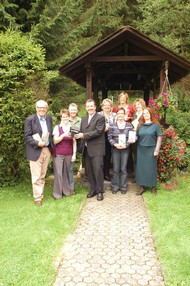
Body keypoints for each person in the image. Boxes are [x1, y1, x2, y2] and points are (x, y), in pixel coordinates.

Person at [74, 99, 105, 201]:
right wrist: (72, 133)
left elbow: (98, 132)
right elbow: (79, 131)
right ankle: (93, 189)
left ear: (95, 107)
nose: (90, 108)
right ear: (86, 108)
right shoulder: (83, 119)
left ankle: (100, 191)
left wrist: (83, 135)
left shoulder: (100, 118)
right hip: (86, 149)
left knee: (98, 170)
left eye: (91, 106)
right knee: (89, 171)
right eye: (88, 106)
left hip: (97, 149)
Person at [24, 100, 53, 206]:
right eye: (39, 107)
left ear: (46, 109)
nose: (42, 109)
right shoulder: (30, 120)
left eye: (44, 107)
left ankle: (40, 193)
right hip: (35, 150)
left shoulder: (49, 118)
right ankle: (37, 198)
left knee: (42, 174)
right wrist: (37, 143)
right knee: (36, 175)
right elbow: (27, 137)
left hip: (46, 149)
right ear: (36, 108)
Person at [136, 107, 162, 195]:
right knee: (141, 168)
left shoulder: (156, 125)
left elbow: (159, 137)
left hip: (151, 149)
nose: (145, 115)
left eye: (147, 113)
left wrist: (157, 150)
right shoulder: (140, 125)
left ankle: (153, 187)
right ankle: (142, 187)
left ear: (151, 114)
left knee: (151, 169)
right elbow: (136, 136)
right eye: (144, 113)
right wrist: (132, 139)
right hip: (141, 149)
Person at [108, 107, 134, 194]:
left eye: (122, 114)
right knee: (116, 168)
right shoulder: (112, 125)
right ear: (116, 115)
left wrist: (126, 144)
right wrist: (115, 144)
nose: (120, 115)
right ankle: (115, 186)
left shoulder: (129, 125)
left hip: (125, 149)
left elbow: (133, 136)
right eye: (118, 113)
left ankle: (123, 187)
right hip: (115, 149)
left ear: (124, 115)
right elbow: (109, 137)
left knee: (123, 168)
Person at [53, 109, 77, 199]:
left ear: (69, 117)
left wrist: (74, 154)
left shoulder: (72, 128)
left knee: (66, 173)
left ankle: (66, 191)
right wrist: (63, 135)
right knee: (58, 173)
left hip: (69, 154)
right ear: (61, 117)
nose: (65, 118)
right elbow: (55, 141)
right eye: (63, 117)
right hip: (59, 154)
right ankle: (57, 194)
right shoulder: (57, 127)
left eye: (66, 116)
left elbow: (74, 142)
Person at [98, 98, 116, 181]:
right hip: (100, 137)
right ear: (102, 106)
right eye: (105, 105)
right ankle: (100, 174)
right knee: (100, 156)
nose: (107, 107)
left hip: (111, 137)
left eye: (109, 105)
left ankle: (106, 173)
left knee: (108, 156)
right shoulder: (98, 115)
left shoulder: (115, 115)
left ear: (111, 107)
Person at [130, 98, 146, 177]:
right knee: (135, 158)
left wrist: (138, 128)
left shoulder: (145, 114)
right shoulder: (134, 115)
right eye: (136, 105)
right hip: (134, 139)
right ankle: (136, 176)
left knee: (142, 159)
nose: (137, 106)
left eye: (139, 104)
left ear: (142, 105)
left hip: (143, 139)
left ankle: (142, 176)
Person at [68, 103, 81, 192]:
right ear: (69, 110)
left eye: (74, 110)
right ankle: (69, 187)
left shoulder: (81, 120)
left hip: (80, 144)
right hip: (68, 146)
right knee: (70, 168)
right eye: (71, 110)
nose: (73, 111)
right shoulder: (65, 120)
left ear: (77, 111)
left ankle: (71, 187)